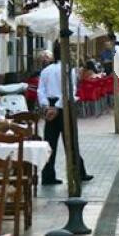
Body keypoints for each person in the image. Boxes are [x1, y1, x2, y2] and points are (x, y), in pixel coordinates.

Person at [37, 46, 91, 185]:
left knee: (49, 143)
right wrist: (57, 107)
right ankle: (78, 172)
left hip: (50, 106)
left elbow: (40, 90)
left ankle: (47, 176)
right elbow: (69, 91)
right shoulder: (68, 70)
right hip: (64, 106)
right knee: (71, 142)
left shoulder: (45, 71)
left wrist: (46, 106)